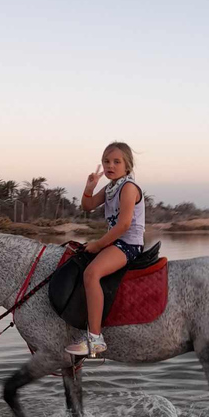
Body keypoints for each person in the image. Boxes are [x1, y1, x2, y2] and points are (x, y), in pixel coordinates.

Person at [65, 141, 145, 356]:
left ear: (127, 165)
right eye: (106, 161)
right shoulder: (111, 187)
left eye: (116, 161)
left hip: (128, 243)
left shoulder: (128, 187)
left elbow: (124, 225)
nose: (110, 165)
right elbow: (87, 206)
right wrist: (89, 187)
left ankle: (95, 338)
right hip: (115, 242)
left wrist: (99, 245)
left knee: (92, 274)